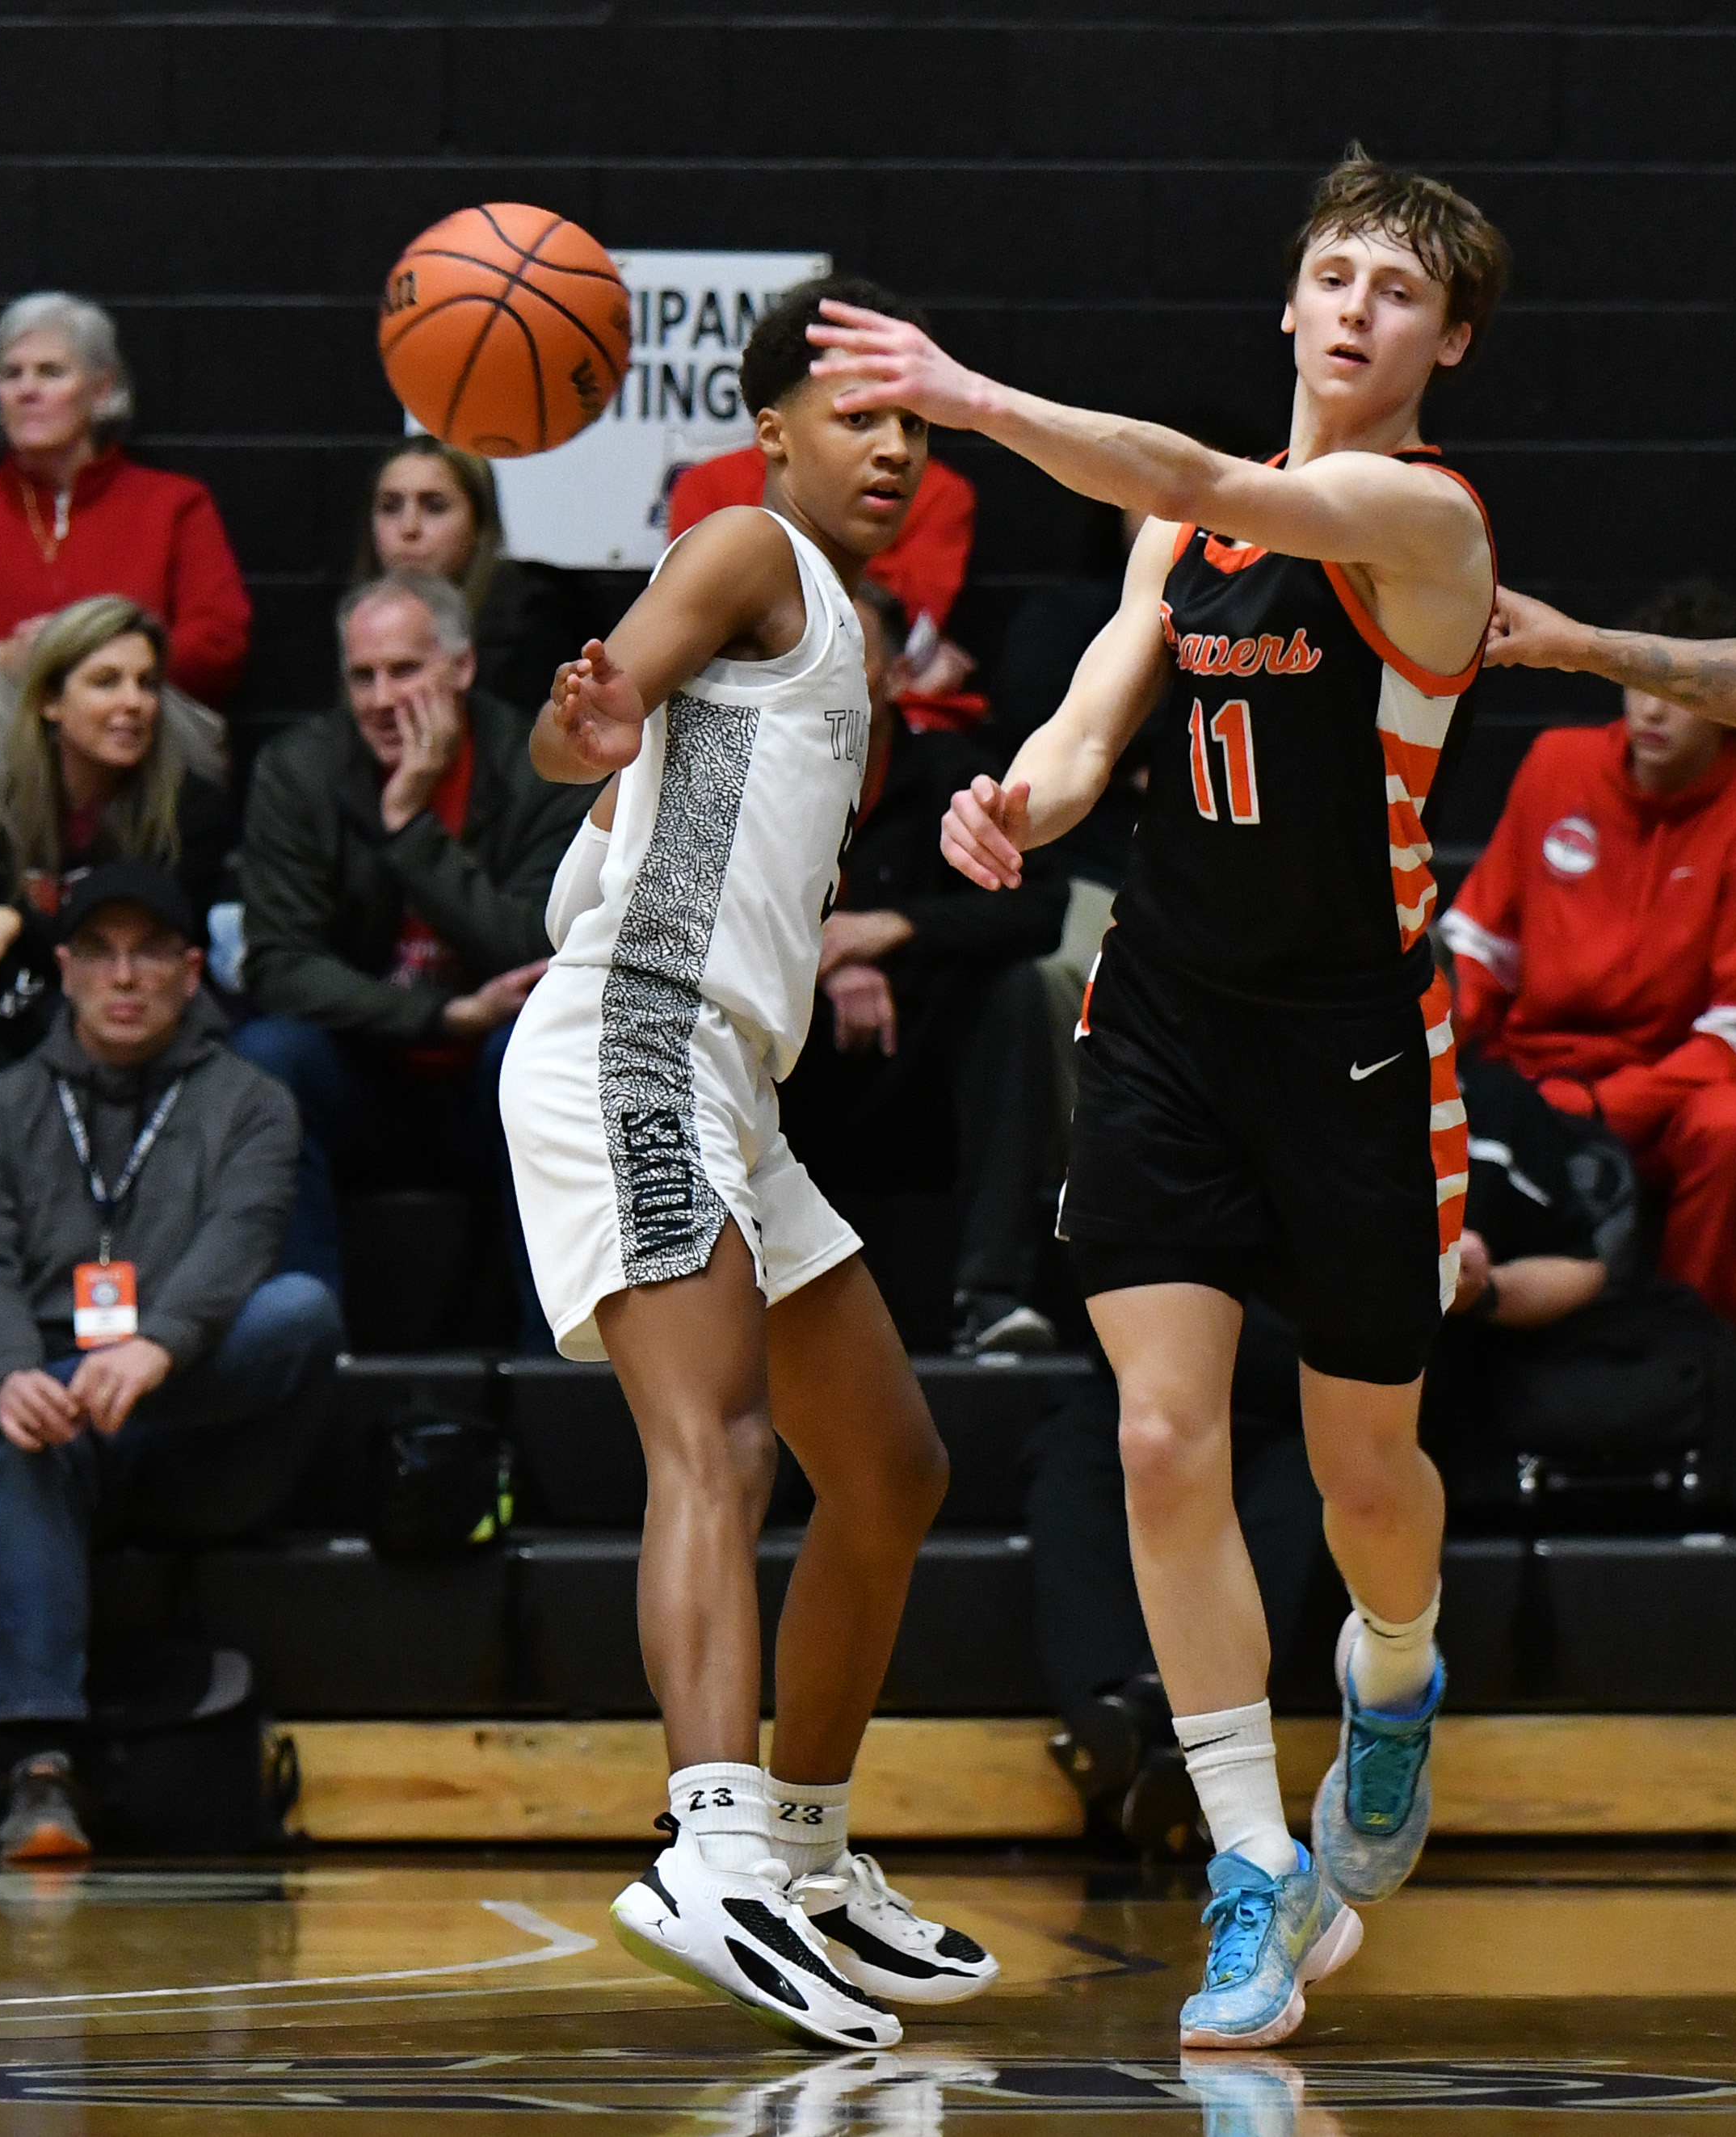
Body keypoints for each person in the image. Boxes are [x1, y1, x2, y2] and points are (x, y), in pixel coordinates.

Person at [824, 145, 1512, 2046]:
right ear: (1287, 303)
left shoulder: (1415, 521)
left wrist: (966, 400)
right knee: (1151, 1436)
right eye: (1332, 271)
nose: (1356, 302)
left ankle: (1390, 1667)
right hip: (1163, 1020)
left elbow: (1210, 477)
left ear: (1443, 337)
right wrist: (1010, 805)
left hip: (1355, 1046)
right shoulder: (1173, 536)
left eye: (1395, 284)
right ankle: (1243, 1863)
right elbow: (1088, 716)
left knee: (1366, 1473)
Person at [506, 274, 1000, 2050]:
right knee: (711, 1442)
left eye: (912, 422)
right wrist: (588, 714)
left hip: (726, 1072)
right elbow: (587, 714)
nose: (890, 446)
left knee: (889, 1467)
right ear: (769, 424)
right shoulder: (739, 548)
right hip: (629, 1032)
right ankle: (704, 1846)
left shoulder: (849, 633)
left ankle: (797, 1847)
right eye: (855, 414)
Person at [0, 859, 342, 1861]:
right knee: (30, 1438)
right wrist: (15, 1370)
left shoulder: (252, 1101)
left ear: (191, 970)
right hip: (64, 1430)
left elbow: (243, 1236)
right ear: (61, 970)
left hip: (203, 1423)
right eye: (99, 952)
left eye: (149, 951)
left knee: (301, 1310)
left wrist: (156, 1346)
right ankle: (39, 1774)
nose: (124, 975)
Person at [234, 570, 595, 1341]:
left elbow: (533, 943)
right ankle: (304, 1351)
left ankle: (557, 1377)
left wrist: (408, 828)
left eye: (404, 670)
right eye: (361, 676)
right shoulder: (299, 771)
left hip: (497, 1076)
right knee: (267, 1057)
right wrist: (440, 1015)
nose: (379, 698)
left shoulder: (543, 764)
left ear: (460, 668)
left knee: (533, 1057)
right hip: (372, 1068)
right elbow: (280, 964)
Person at [0, 596, 237, 1310]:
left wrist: (14, 920)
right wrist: (20, 1096)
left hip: (149, 1066)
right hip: (6, 1061)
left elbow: (164, 949)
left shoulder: (190, 815)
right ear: (48, 704)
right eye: (105, 682)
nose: (133, 704)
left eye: (145, 683)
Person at [1444, 583, 1736, 1327]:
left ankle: (1692, 1349)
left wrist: (1606, 1103)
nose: (1651, 710)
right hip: (1525, 1075)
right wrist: (1438, 1051)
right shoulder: (1556, 764)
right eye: (1636, 685)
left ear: (1732, 714)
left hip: (1654, 1095)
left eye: (1677, 694)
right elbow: (1476, 945)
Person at [778, 578, 1069, 1352]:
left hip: (919, 1060)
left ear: (898, 679)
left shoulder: (953, 772)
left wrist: (891, 928)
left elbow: (1037, 907)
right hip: (790, 1051)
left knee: (1012, 993)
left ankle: (989, 1294)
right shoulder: (745, 782)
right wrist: (824, 956)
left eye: (850, 656)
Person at [0, 292, 250, 886]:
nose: (27, 389)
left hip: (136, 730)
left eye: (50, 372)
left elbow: (219, 644)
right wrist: (1, 660)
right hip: (8, 724)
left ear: (102, 390)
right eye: (11, 374)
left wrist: (97, 663)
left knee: (140, 698)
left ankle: (148, 942)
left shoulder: (174, 502)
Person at [1032, 1305, 1324, 1861]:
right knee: (1073, 1459)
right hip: (1144, 1378)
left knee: (1306, 1486)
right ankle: (1124, 1719)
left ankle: (1132, 1726)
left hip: (1307, 1392)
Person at [668, 442, 980, 721]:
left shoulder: (939, 490)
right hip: (737, 687)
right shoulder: (707, 483)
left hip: (884, 696)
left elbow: (908, 627)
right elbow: (700, 616)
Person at [356, 436, 570, 719]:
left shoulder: (536, 622)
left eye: (434, 506)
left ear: (479, 523)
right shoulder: (358, 623)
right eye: (390, 506)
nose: (408, 528)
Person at [1486, 583, 1736, 734]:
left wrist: (1570, 643)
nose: (1653, 711)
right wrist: (1568, 643)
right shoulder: (1560, 756)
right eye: (1642, 688)